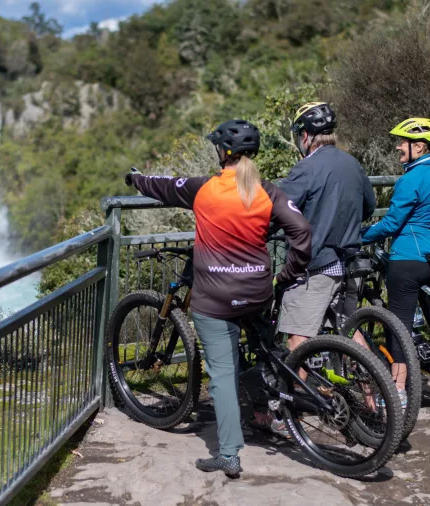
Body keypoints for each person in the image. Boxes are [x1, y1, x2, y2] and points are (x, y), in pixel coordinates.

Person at [126, 119, 312, 478]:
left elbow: (163, 186)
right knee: (263, 348)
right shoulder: (266, 191)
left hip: (215, 298)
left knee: (222, 375)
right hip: (258, 291)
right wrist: (286, 274)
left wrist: (135, 179)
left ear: (222, 153)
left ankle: (229, 455)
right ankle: (270, 405)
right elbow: (301, 231)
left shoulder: (203, 189)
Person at [253, 102, 376, 434]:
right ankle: (375, 401)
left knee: (299, 338)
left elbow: (276, 212)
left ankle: (282, 416)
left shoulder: (306, 169)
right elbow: (369, 205)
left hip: (316, 264)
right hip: (349, 263)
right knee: (349, 329)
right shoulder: (352, 164)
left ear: (305, 136)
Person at [361, 117, 430, 408]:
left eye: (401, 142)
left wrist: (363, 235)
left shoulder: (409, 179)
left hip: (408, 258)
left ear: (418, 146)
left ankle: (398, 393)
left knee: (399, 327)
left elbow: (392, 223)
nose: (397, 147)